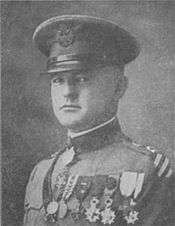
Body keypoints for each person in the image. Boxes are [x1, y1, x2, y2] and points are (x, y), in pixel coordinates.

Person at [23, 15, 174, 226]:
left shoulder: (145, 168)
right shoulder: (41, 172)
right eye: (58, 80)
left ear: (119, 87)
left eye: (82, 78)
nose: (68, 92)